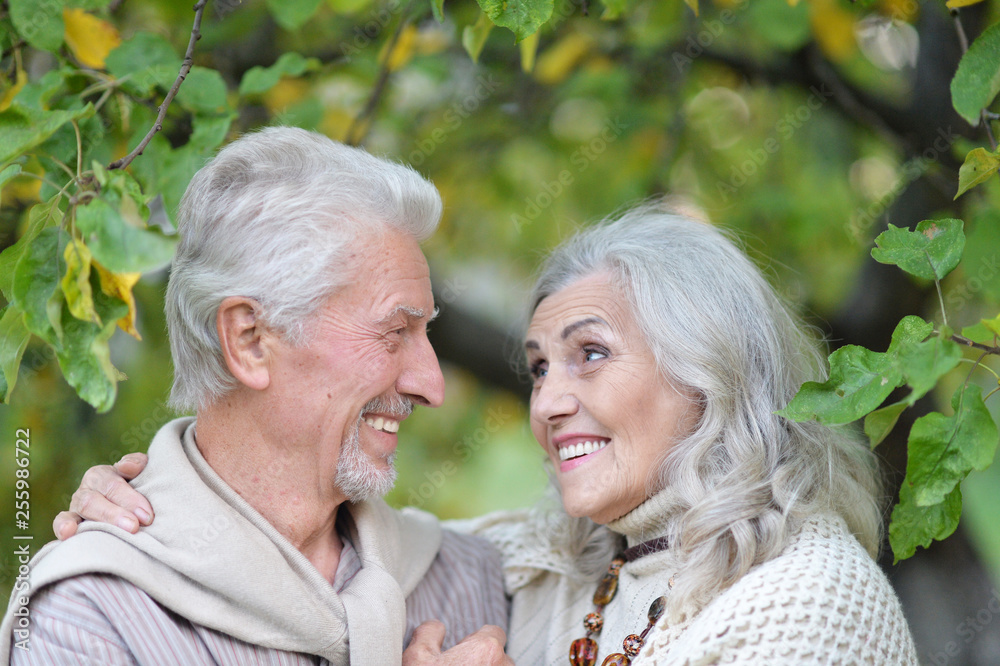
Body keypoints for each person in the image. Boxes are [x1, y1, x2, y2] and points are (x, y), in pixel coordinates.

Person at [48, 205, 919, 663]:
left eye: (590, 354)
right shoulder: (560, 566)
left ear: (710, 373)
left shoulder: (808, 602)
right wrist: (168, 505)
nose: (547, 403)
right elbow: (318, 542)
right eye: (541, 367)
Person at [1, 128, 512, 665]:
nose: (431, 384)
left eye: (425, 333)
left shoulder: (467, 577)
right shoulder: (91, 616)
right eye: (394, 332)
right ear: (248, 340)